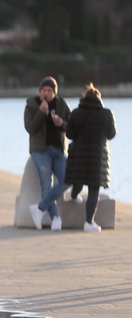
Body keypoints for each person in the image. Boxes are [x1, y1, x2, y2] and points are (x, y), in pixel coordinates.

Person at [65, 82, 116, 233]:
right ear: (99, 98)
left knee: (78, 181)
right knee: (94, 189)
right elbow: (111, 134)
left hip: (79, 153)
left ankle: (73, 195)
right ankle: (88, 223)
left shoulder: (76, 113)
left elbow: (69, 134)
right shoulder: (106, 113)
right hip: (98, 155)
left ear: (84, 98)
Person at [25, 76, 71, 231]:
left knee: (68, 179)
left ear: (54, 92)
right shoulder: (32, 105)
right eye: (43, 90)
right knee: (46, 183)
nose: (46, 93)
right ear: (39, 91)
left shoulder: (62, 105)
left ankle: (39, 208)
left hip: (58, 149)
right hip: (40, 150)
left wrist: (62, 124)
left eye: (49, 90)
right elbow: (30, 128)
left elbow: (71, 126)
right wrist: (40, 112)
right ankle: (55, 218)